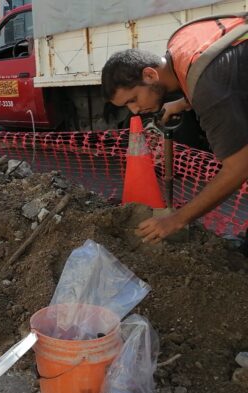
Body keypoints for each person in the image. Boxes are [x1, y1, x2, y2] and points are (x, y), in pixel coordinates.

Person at [101, 15, 248, 244]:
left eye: (133, 99)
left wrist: (177, 219)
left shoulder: (206, 86)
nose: (136, 110)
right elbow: (223, 75)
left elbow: (239, 168)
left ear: (150, 74)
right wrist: (181, 102)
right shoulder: (180, 43)